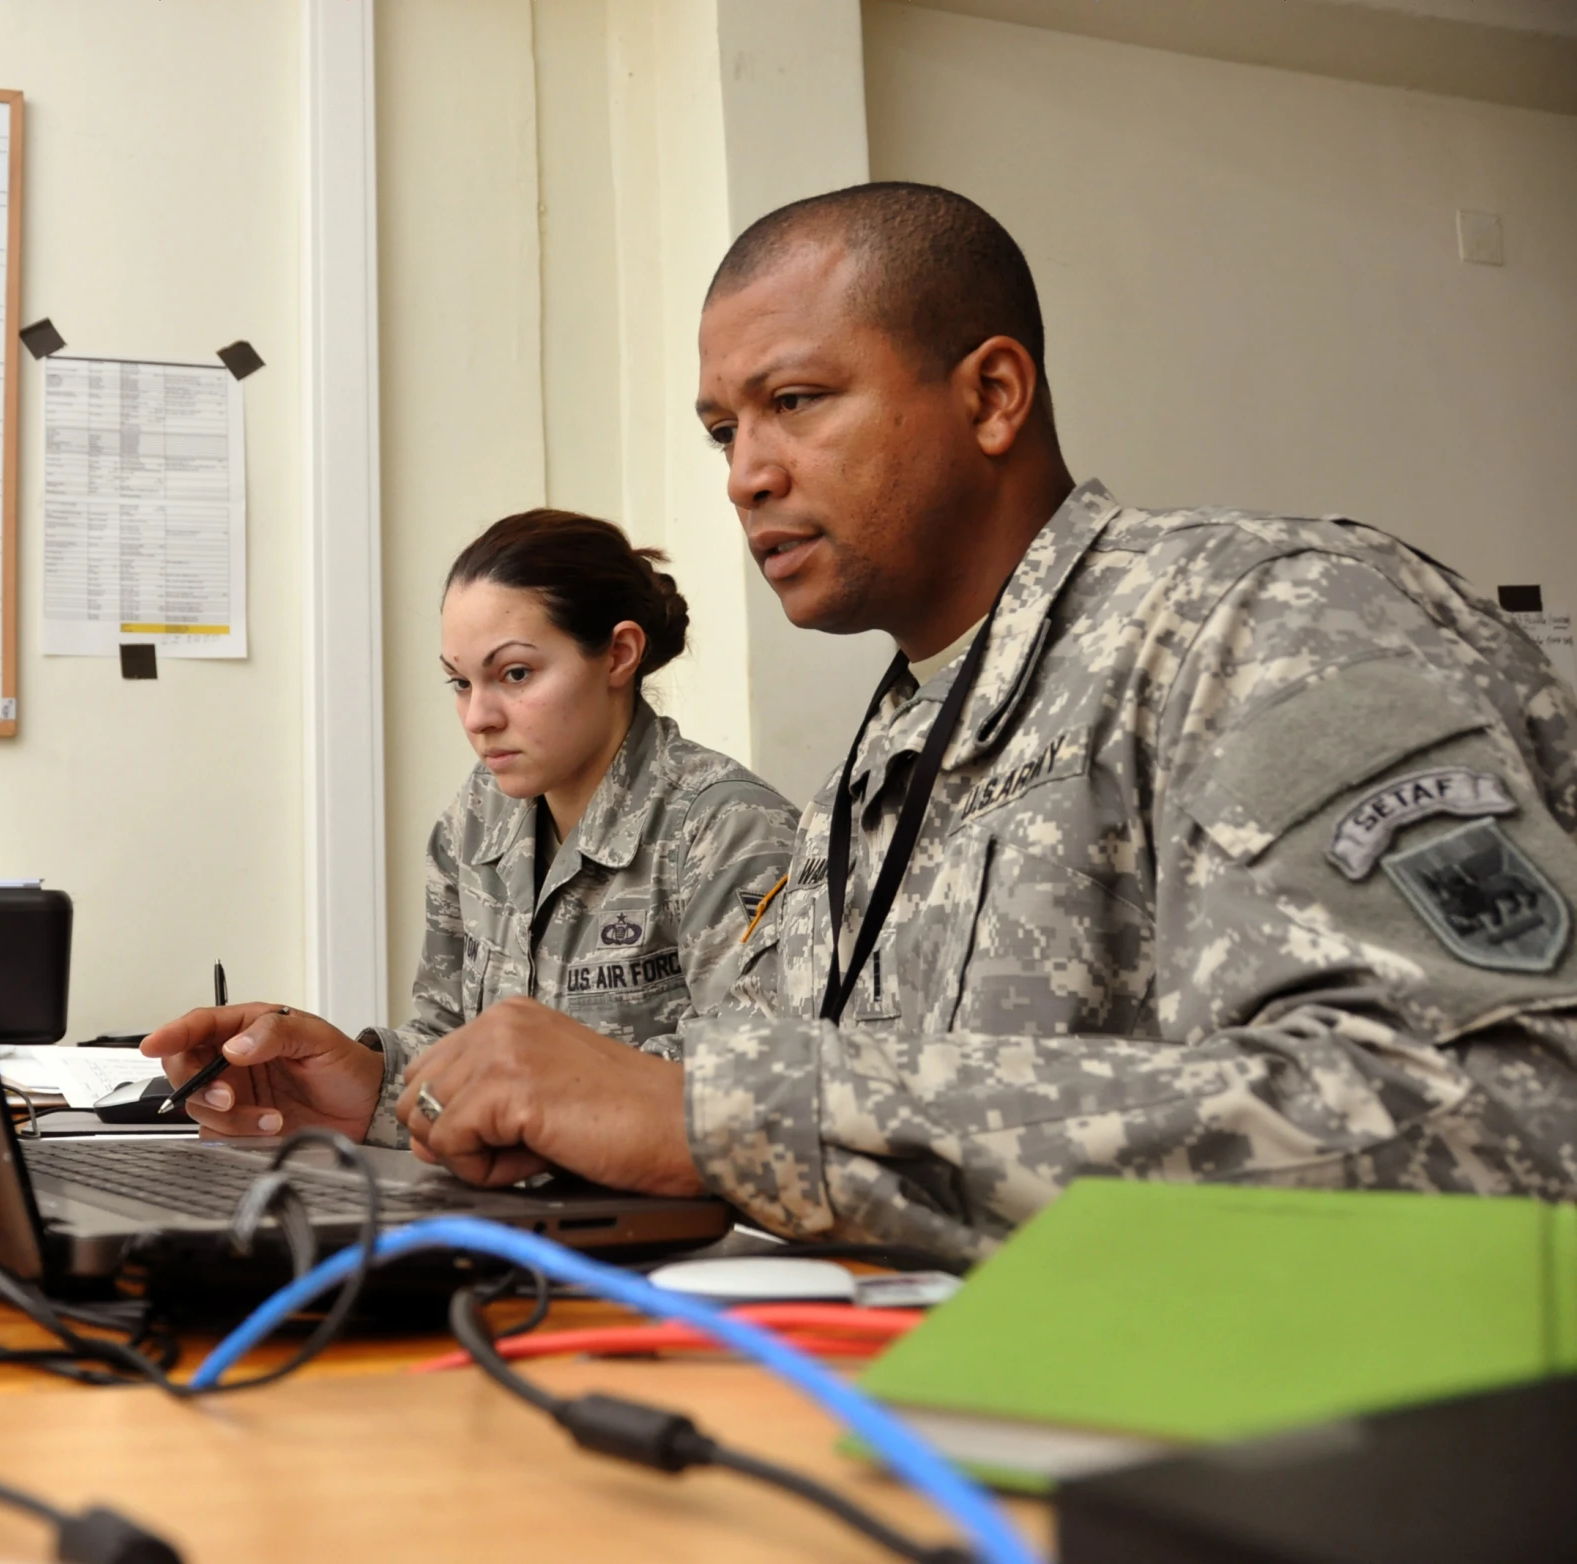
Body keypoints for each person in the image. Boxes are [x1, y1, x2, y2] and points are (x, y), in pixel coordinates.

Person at [148, 180, 1577, 1260]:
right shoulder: (897, 755)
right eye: (722, 430)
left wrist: (722, 1119)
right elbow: (677, 1088)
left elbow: (1496, 1126)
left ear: (991, 395)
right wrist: (388, 1090)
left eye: (794, 402)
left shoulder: (1260, 623)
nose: (744, 476)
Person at [144, 508, 799, 1145]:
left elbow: (757, 1096)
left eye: (514, 674)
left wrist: (532, 1099)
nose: (478, 717)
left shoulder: (728, 827)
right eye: (459, 682)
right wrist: (352, 1079)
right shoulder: (475, 818)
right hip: (503, 1213)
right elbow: (445, 1041)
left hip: (670, 1237)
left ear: (618, 655)